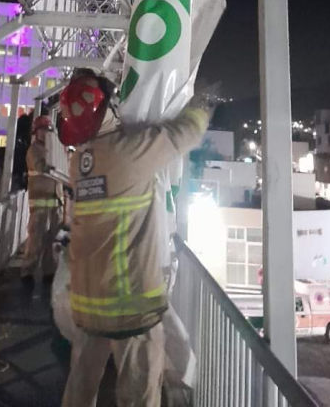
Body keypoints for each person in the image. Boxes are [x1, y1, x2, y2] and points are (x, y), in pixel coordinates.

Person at [58, 69, 211, 407]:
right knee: (138, 394)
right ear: (106, 110)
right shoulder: (129, 152)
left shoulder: (78, 162)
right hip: (130, 308)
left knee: (80, 390)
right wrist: (203, 105)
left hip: (87, 305)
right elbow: (184, 134)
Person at [20, 115, 63, 284]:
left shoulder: (54, 150)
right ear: (36, 132)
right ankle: (28, 270)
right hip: (39, 202)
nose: (46, 133)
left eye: (48, 130)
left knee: (52, 239)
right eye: (43, 130)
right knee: (36, 237)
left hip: (55, 200)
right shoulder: (33, 150)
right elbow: (41, 167)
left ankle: (49, 271)